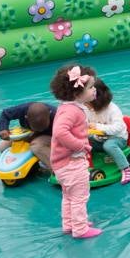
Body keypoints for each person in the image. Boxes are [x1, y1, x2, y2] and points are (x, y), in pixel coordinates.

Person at [50, 64, 102, 239]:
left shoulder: (68, 107)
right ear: (76, 93)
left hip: (62, 164)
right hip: (71, 163)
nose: (94, 90)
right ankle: (80, 229)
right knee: (80, 196)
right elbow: (59, 132)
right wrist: (80, 145)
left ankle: (69, 224)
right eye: (90, 87)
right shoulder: (72, 111)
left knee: (68, 195)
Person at [86, 78, 130, 185]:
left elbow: (118, 128)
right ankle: (84, 164)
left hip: (118, 138)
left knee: (109, 145)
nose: (85, 105)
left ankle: (125, 169)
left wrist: (97, 126)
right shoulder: (87, 108)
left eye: (87, 102)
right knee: (82, 141)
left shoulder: (113, 109)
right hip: (99, 138)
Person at [0, 101, 56, 172]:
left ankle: (57, 171)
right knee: (3, 146)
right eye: (36, 128)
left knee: (37, 146)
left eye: (42, 127)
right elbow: (5, 114)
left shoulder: (56, 114)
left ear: (49, 115)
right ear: (26, 117)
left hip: (50, 135)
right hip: (29, 132)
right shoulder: (21, 110)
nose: (39, 130)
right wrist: (3, 129)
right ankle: (25, 166)